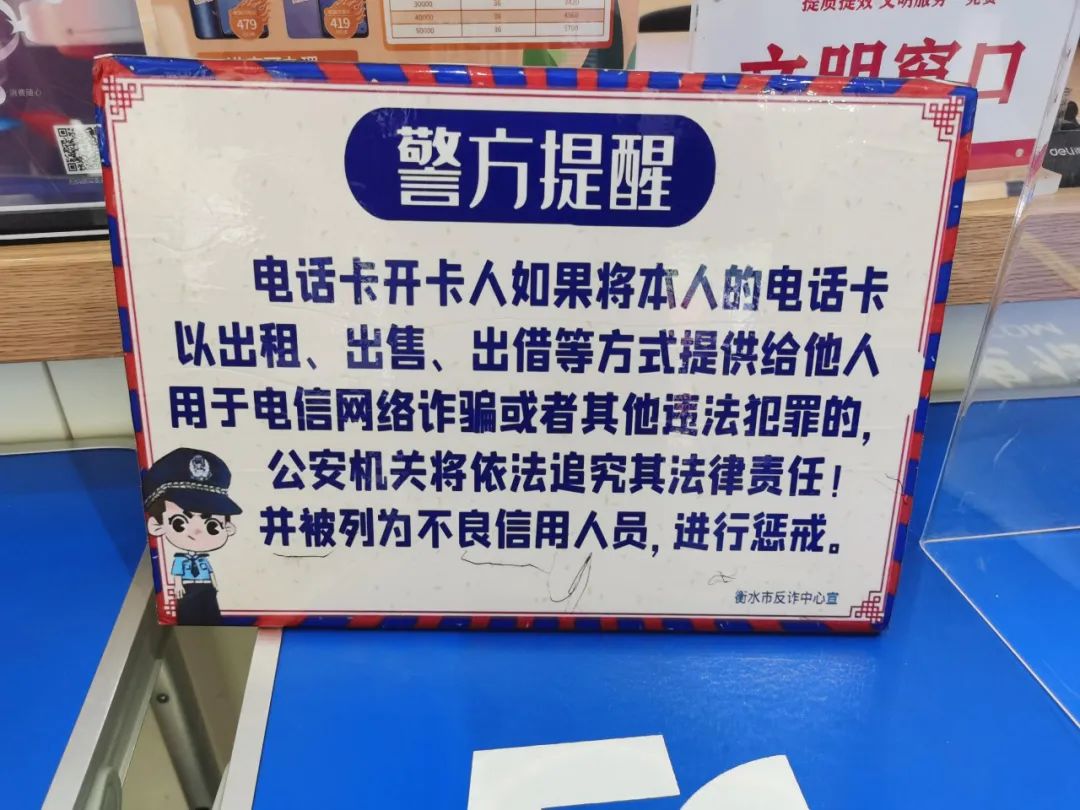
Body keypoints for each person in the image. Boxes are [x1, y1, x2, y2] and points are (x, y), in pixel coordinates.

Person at [142, 448, 241, 625]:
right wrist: (178, 585)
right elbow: (177, 574)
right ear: (156, 525)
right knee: (188, 614)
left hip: (207, 587)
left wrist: (214, 584)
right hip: (188, 588)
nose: (197, 531)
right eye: (179, 522)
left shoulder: (204, 560)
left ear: (228, 527)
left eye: (212, 525)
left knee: (211, 611)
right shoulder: (179, 560)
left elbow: (210, 572)